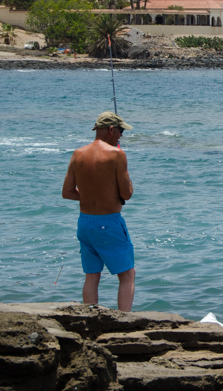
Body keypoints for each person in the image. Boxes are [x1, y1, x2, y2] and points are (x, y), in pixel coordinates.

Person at [61, 111, 136, 311]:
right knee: (127, 275)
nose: (121, 136)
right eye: (120, 131)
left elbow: (67, 192)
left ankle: (90, 319)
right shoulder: (117, 154)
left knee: (92, 276)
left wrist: (90, 197)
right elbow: (126, 194)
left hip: (85, 223)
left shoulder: (77, 154)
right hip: (109, 222)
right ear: (111, 130)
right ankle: (125, 321)